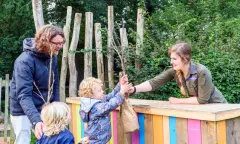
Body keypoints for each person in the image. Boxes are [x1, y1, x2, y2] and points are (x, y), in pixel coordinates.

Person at [10, 24, 65, 144]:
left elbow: (54, 85)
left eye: (62, 43)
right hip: (22, 109)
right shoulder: (24, 61)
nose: (60, 46)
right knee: (23, 141)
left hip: (43, 107)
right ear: (45, 41)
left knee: (51, 139)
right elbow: (24, 95)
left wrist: (55, 109)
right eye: (57, 43)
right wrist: (36, 121)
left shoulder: (52, 57)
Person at [130, 42, 227, 104]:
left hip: (220, 108)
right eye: (171, 59)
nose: (171, 62)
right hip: (204, 110)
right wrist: (134, 89)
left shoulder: (201, 71)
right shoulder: (175, 71)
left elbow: (202, 100)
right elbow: (154, 83)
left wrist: (178, 101)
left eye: (174, 59)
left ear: (185, 58)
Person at [79, 76, 131, 144]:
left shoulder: (96, 100)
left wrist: (120, 85)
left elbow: (110, 96)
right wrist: (121, 92)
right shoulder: (95, 107)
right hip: (96, 142)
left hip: (99, 139)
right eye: (99, 90)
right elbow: (110, 105)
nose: (102, 91)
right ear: (91, 95)